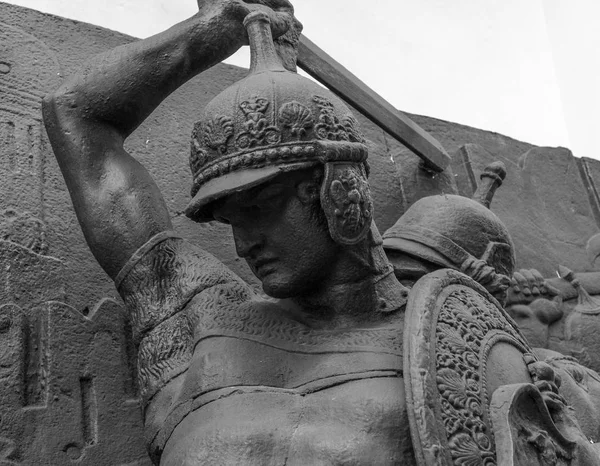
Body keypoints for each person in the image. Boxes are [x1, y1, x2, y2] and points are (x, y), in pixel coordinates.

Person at [43, 1, 414, 464]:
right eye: (230, 220)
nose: (243, 244)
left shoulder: (438, 341)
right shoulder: (200, 324)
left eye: (259, 207)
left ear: (337, 189)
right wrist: (220, 26)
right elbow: (74, 114)